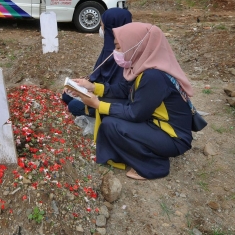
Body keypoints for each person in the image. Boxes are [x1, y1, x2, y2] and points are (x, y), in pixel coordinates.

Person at [70, 22, 194, 180]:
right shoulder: (142, 66)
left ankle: (154, 164)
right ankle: (127, 151)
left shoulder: (153, 76)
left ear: (135, 46)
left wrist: (97, 104)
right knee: (109, 106)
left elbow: (135, 114)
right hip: (153, 122)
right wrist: (93, 87)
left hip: (172, 137)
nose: (115, 52)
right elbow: (123, 90)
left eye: (119, 47)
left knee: (111, 125)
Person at [62, 7, 132, 117]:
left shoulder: (125, 55)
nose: (101, 29)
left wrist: (91, 93)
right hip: (101, 91)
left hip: (116, 101)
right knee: (67, 95)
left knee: (74, 106)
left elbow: (121, 91)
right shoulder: (108, 48)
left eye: (102, 25)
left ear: (111, 28)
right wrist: (80, 86)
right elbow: (98, 74)